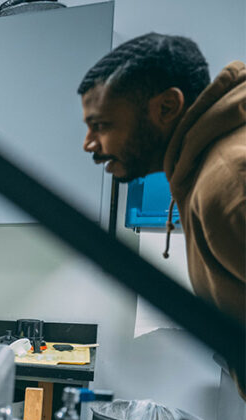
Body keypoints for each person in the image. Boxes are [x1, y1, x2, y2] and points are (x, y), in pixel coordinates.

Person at [78, 33, 244, 390]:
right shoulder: (205, 171)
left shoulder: (229, 183)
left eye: (102, 125)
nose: (89, 143)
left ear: (167, 107)